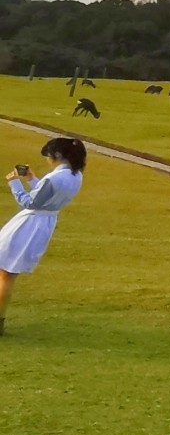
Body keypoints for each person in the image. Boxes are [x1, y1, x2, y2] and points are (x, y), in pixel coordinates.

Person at [0, 137, 87, 336]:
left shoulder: (54, 178)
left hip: (29, 223)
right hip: (44, 222)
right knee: (7, 271)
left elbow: (30, 202)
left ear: (57, 156)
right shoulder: (75, 175)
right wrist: (31, 179)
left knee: (6, 272)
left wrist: (15, 183)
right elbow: (47, 197)